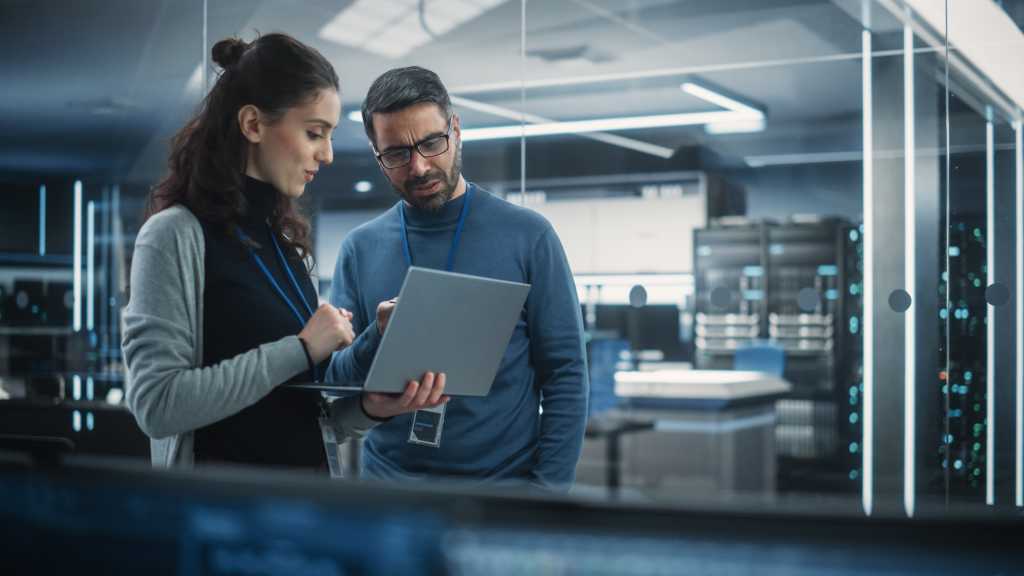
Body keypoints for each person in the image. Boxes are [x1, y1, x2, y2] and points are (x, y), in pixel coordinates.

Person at [122, 34, 447, 473]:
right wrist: (300, 348)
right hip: (217, 520)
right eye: (315, 133)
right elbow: (156, 406)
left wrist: (371, 407)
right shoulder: (174, 236)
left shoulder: (286, 246)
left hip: (303, 512)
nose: (328, 154)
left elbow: (305, 415)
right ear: (253, 125)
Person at [327, 66, 588, 491]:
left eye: (432, 143)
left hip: (503, 492)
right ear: (377, 156)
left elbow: (566, 374)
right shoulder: (360, 248)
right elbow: (337, 382)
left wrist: (548, 493)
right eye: (396, 154)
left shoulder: (528, 236)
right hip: (390, 493)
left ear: (456, 130)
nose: (419, 166)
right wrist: (378, 334)